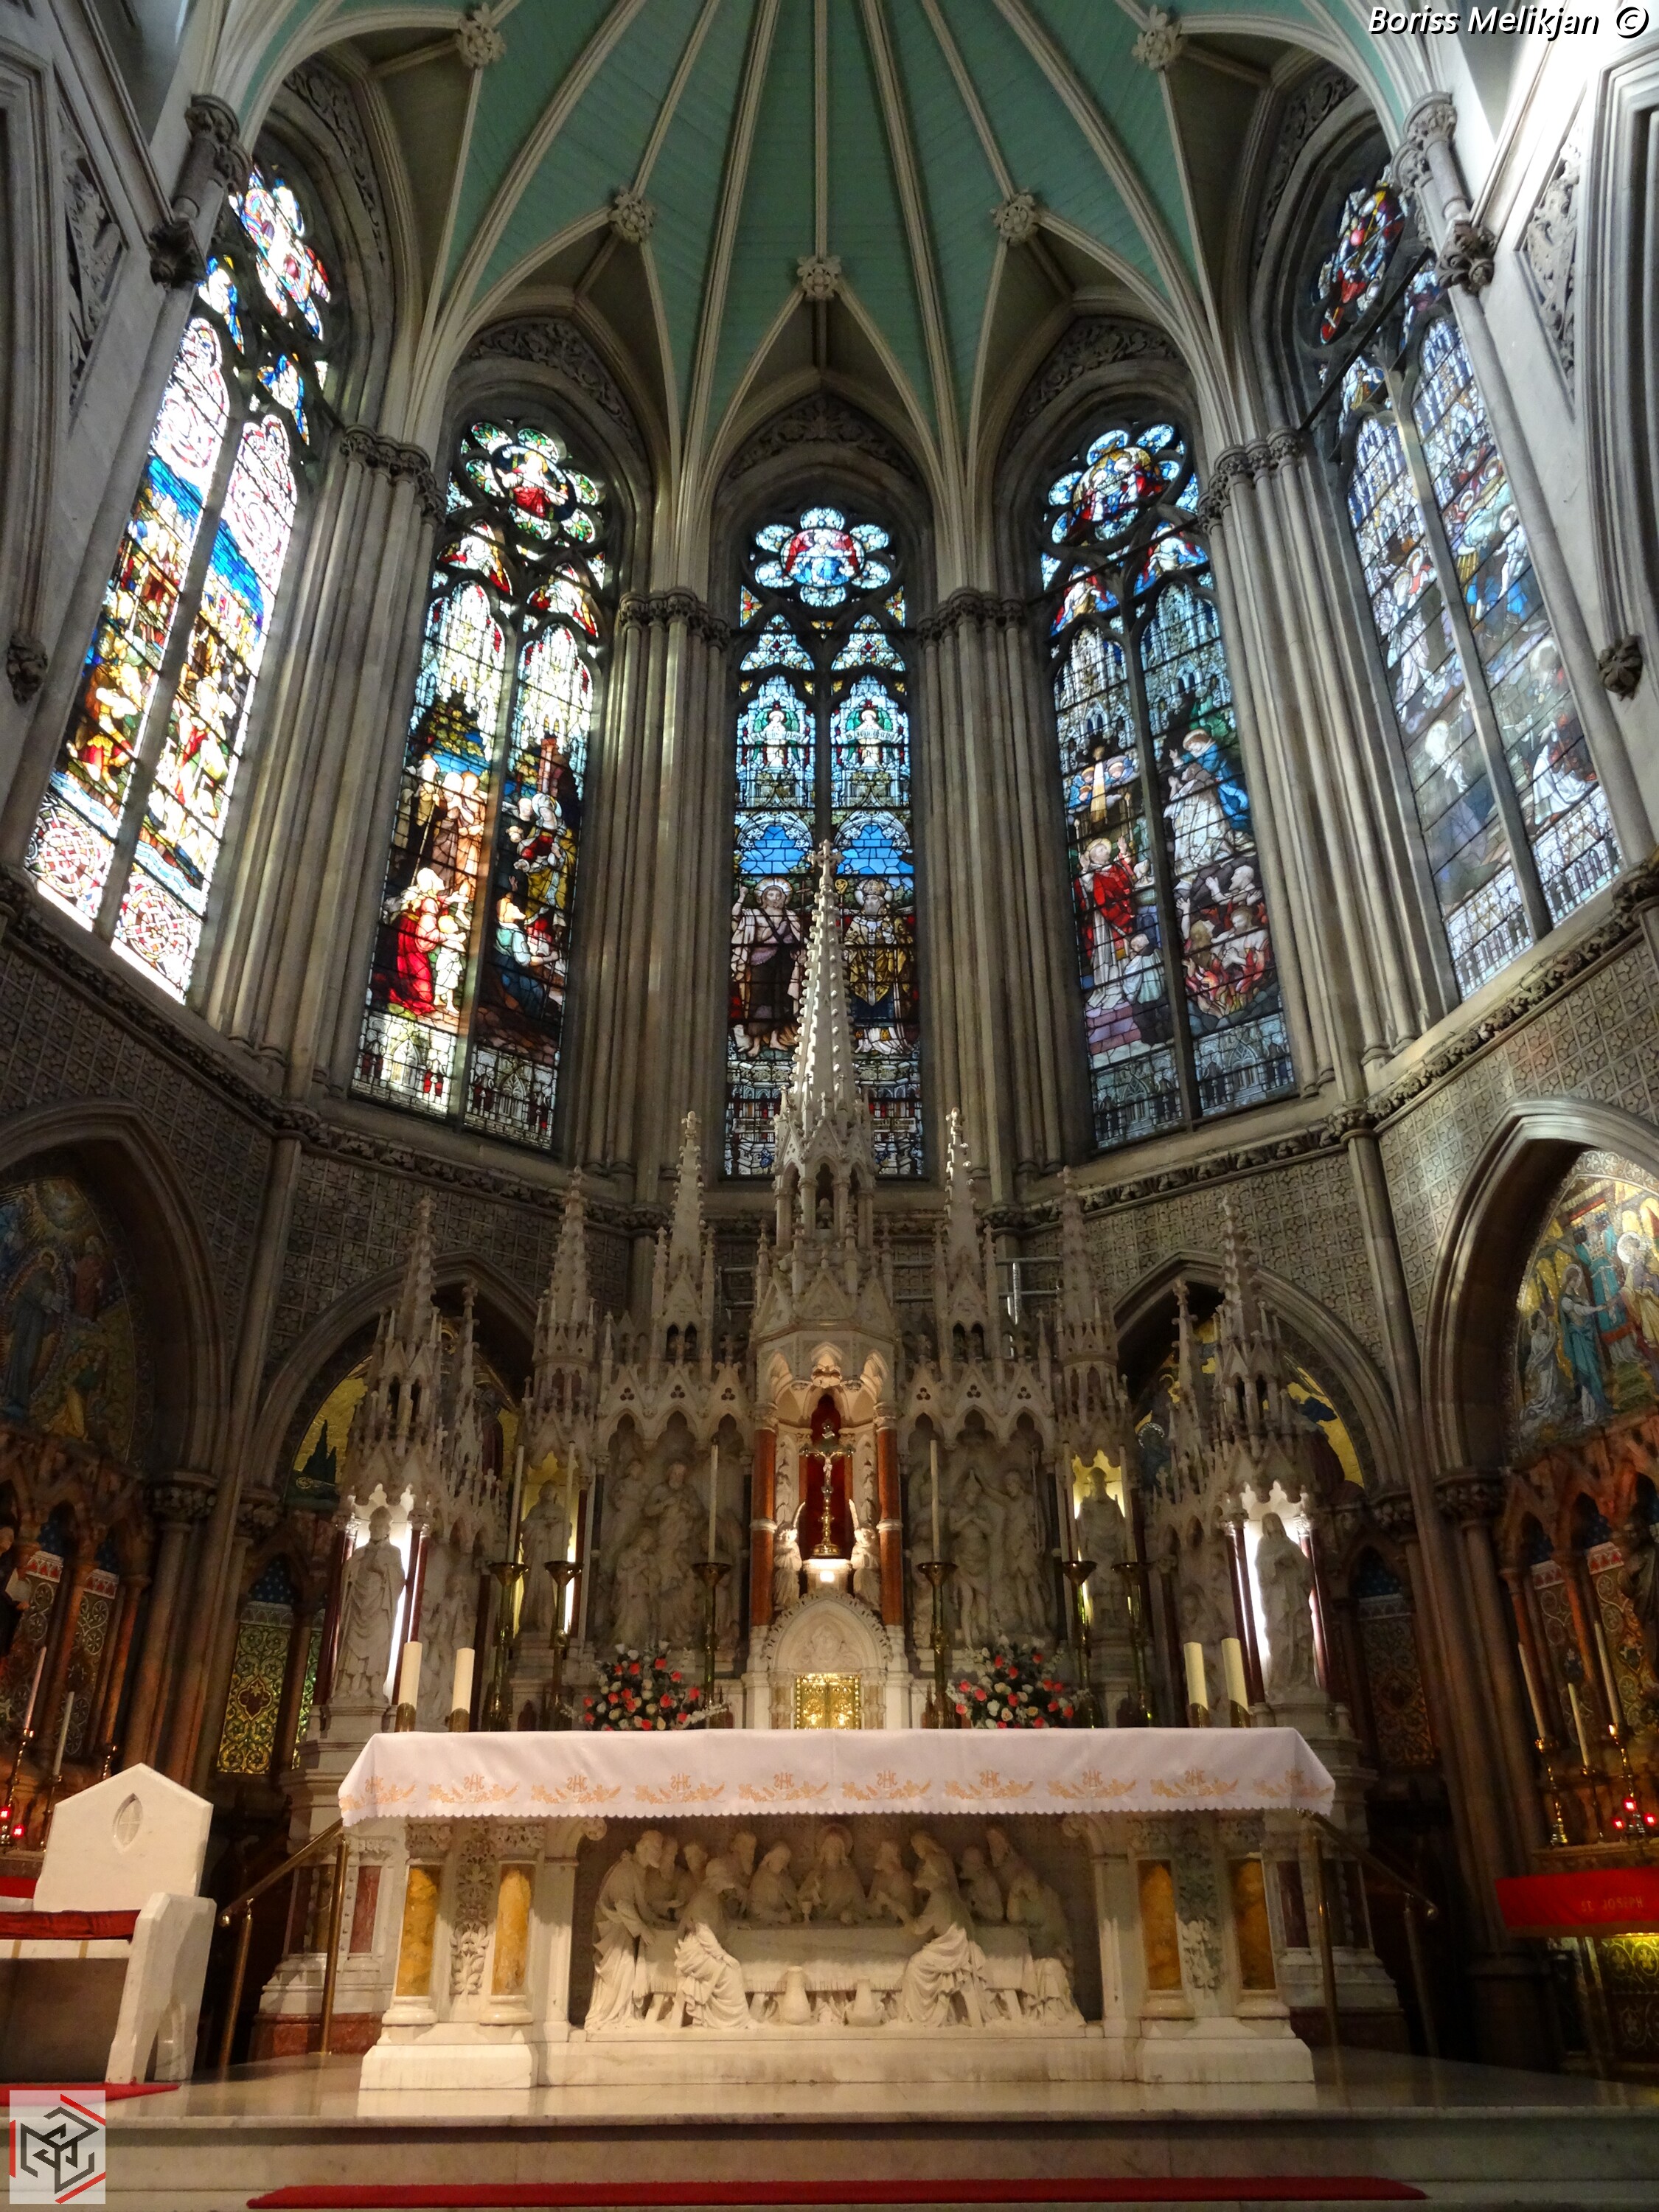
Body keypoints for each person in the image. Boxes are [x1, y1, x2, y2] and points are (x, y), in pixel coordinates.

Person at [333, 1506, 406, 1705]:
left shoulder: (393, 1553)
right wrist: (352, 1569)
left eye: (380, 1526)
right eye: (373, 1526)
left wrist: (383, 1570)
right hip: (358, 1606)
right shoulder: (359, 1553)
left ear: (387, 1530)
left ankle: (373, 1685)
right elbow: (346, 1577)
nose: (375, 1529)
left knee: (378, 1646)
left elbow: (400, 1579)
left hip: (380, 1609)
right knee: (351, 1646)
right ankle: (347, 1685)